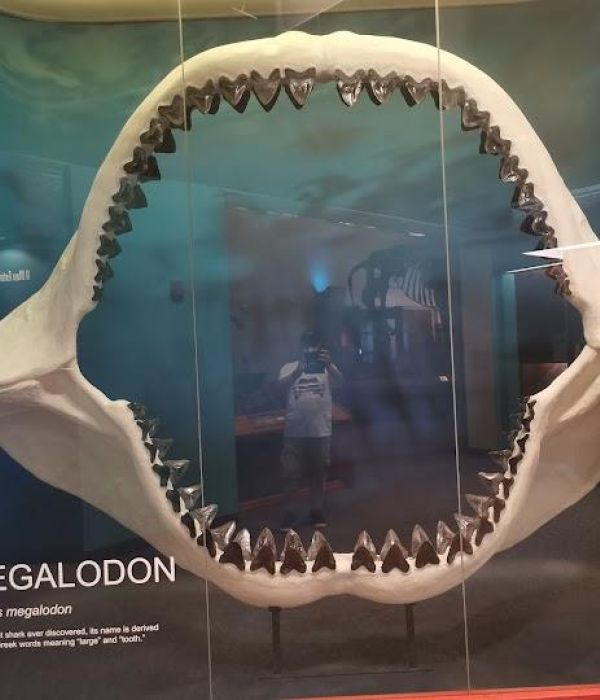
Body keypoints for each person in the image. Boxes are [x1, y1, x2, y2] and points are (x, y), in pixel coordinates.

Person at [278, 330, 343, 531]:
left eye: (314, 344)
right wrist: (296, 373)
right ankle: (289, 512)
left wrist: (329, 365)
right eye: (307, 343)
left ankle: (316, 509)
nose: (310, 348)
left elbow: (342, 383)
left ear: (320, 347)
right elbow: (276, 388)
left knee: (318, 473)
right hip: (294, 431)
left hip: (320, 430)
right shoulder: (289, 367)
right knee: (290, 474)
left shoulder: (328, 367)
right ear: (301, 346)